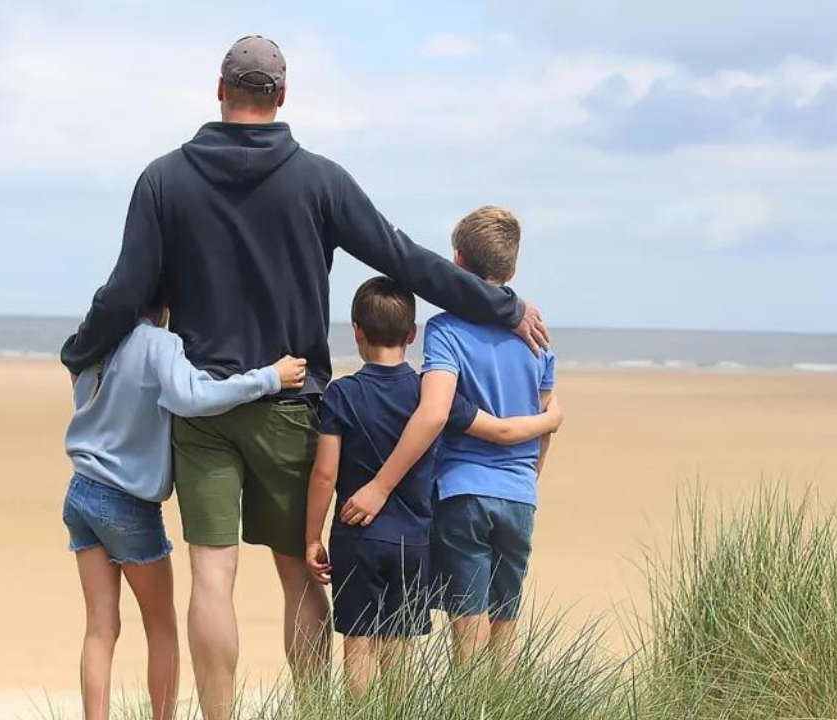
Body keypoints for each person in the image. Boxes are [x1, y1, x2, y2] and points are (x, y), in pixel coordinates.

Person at [59, 35, 550, 720]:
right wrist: (502, 303)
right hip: (292, 404)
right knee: (297, 571)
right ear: (282, 97)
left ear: (220, 90)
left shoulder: (164, 179)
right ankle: (317, 711)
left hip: (202, 411)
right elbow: (406, 261)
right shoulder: (318, 179)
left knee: (212, 574)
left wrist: (81, 351)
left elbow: (124, 294)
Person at [303, 277, 562, 698]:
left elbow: (325, 474)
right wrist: (549, 421)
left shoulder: (341, 394)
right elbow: (497, 429)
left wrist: (312, 536)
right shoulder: (431, 396)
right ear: (411, 334)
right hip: (414, 540)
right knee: (399, 646)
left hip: (356, 536)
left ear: (356, 331)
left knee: (358, 643)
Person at [61, 303, 307, 720]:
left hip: (81, 491)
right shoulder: (159, 343)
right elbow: (193, 396)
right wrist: (268, 378)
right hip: (127, 502)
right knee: (161, 628)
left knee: (100, 629)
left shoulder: (99, 339)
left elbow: (80, 382)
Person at [339, 207, 556, 666]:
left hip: (463, 494)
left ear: (455, 264)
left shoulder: (445, 330)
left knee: (468, 639)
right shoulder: (537, 337)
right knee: (504, 632)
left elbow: (435, 412)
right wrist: (527, 480)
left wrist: (380, 486)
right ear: (512, 269)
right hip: (520, 495)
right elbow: (545, 422)